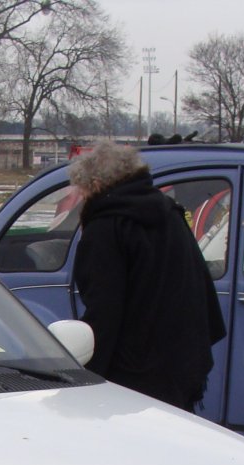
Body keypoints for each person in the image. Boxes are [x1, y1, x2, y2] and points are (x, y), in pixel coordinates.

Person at [68, 139, 225, 411]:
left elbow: (104, 311)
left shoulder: (107, 227)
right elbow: (200, 284)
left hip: (133, 379)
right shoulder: (168, 212)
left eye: (81, 191)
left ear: (94, 186)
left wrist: (86, 379)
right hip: (184, 364)